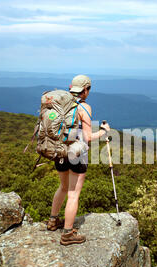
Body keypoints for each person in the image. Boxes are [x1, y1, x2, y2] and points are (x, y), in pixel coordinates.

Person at [46, 75, 110, 246]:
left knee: (63, 186)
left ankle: (53, 221)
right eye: (88, 89)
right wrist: (104, 132)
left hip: (59, 151)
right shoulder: (84, 107)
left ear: (70, 87)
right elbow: (87, 137)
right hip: (76, 154)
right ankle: (67, 234)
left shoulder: (58, 103)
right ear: (86, 90)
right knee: (73, 193)